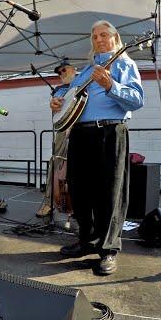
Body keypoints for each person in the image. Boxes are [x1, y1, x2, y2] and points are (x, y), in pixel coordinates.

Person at [50, 20, 144, 276]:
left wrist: (110, 85)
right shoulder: (84, 71)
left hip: (110, 132)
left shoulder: (124, 64)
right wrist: (58, 103)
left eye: (104, 35)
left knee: (109, 194)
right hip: (80, 134)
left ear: (115, 38)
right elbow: (69, 99)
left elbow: (137, 100)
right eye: (94, 36)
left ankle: (108, 250)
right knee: (79, 190)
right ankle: (86, 241)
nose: (99, 39)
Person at [36, 61, 77, 217]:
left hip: (83, 131)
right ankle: (49, 203)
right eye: (59, 72)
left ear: (74, 69)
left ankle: (78, 204)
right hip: (63, 131)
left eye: (64, 70)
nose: (62, 74)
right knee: (56, 164)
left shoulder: (85, 84)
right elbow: (58, 107)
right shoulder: (59, 90)